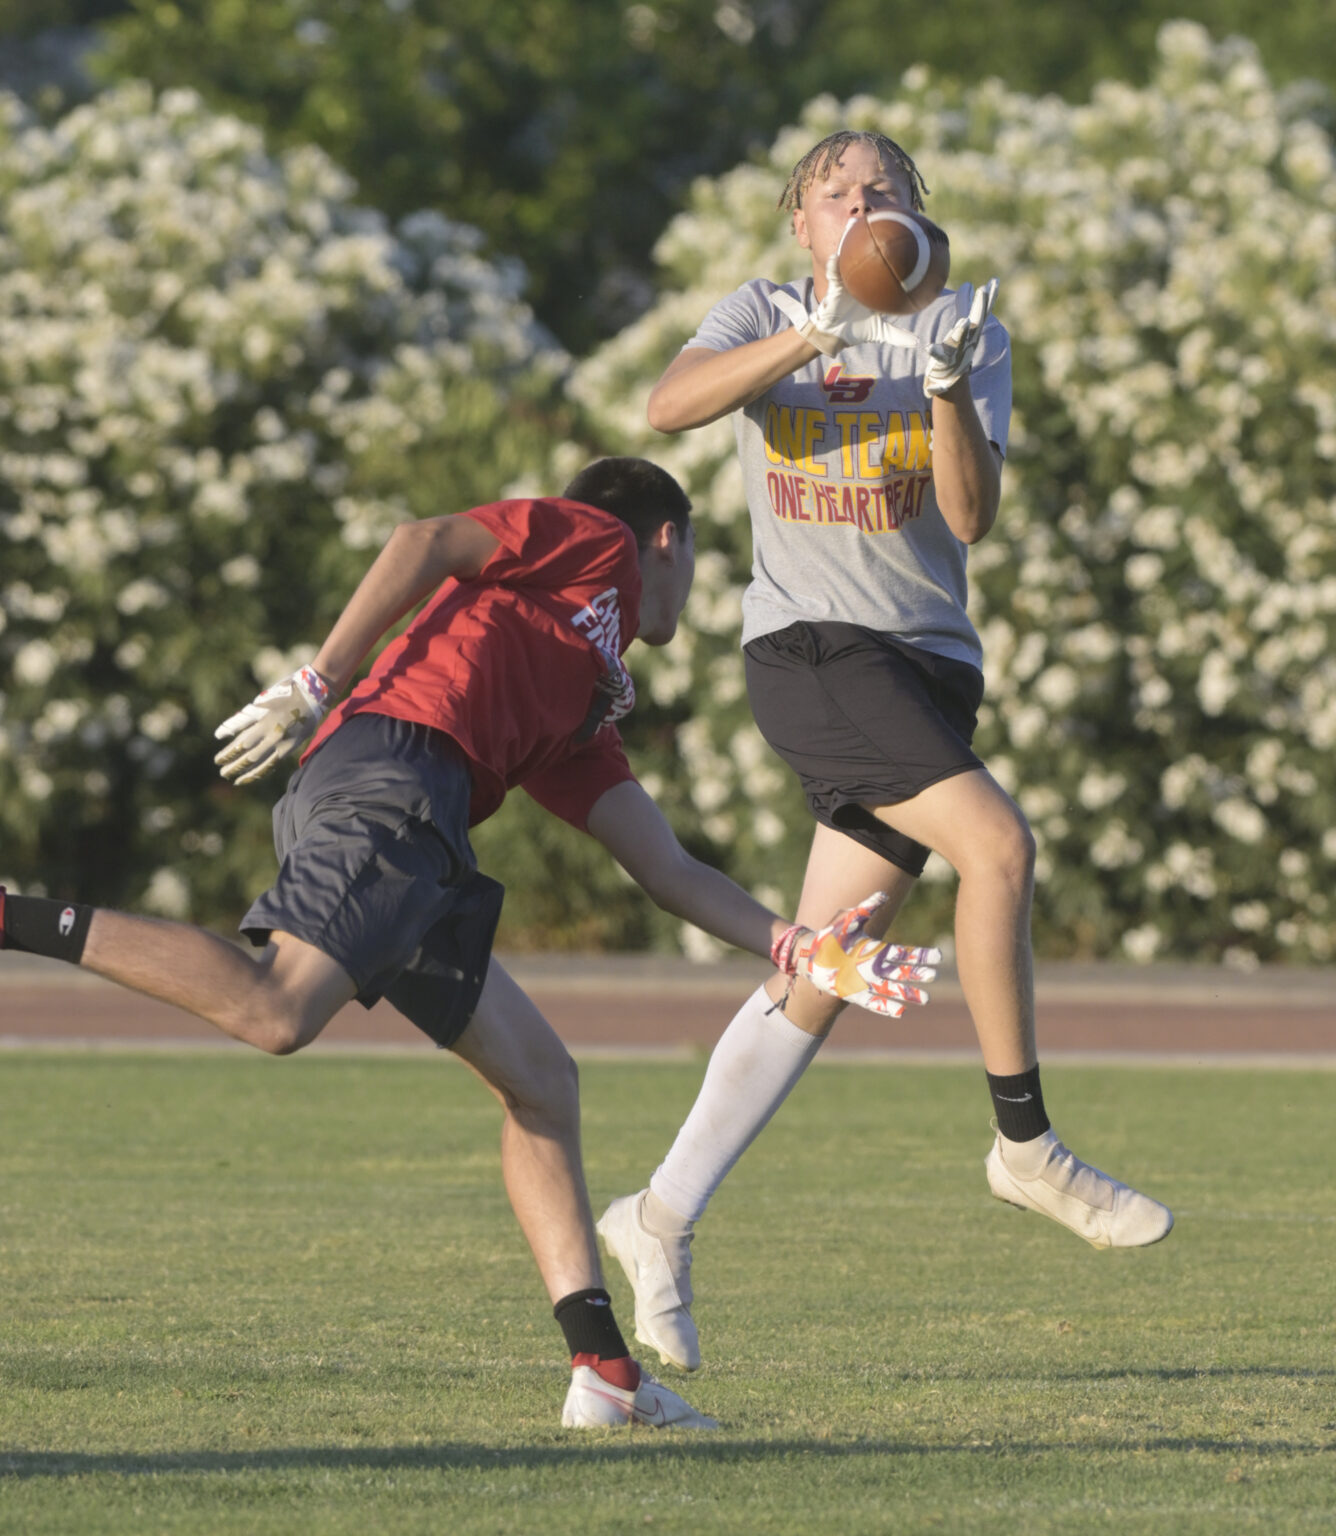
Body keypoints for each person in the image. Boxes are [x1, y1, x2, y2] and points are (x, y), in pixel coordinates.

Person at [0, 455, 937, 1429]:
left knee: (541, 1081)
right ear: (670, 538)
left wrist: (800, 949)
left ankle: (604, 1375)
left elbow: (665, 871)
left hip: (426, 825)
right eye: (698, 556)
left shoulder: (588, 693)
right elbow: (425, 541)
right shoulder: (599, 539)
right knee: (274, 1009)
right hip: (395, 771)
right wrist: (322, 678)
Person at [596, 133, 1174, 1377]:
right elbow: (666, 406)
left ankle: (657, 1216)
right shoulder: (763, 308)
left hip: (925, 666)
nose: (864, 207)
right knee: (1000, 848)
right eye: (837, 194)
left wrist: (951, 387)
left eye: (887, 192)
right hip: (813, 648)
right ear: (804, 226)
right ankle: (1024, 1148)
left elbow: (969, 516)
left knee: (825, 970)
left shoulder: (964, 325)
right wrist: (817, 334)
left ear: (920, 220)